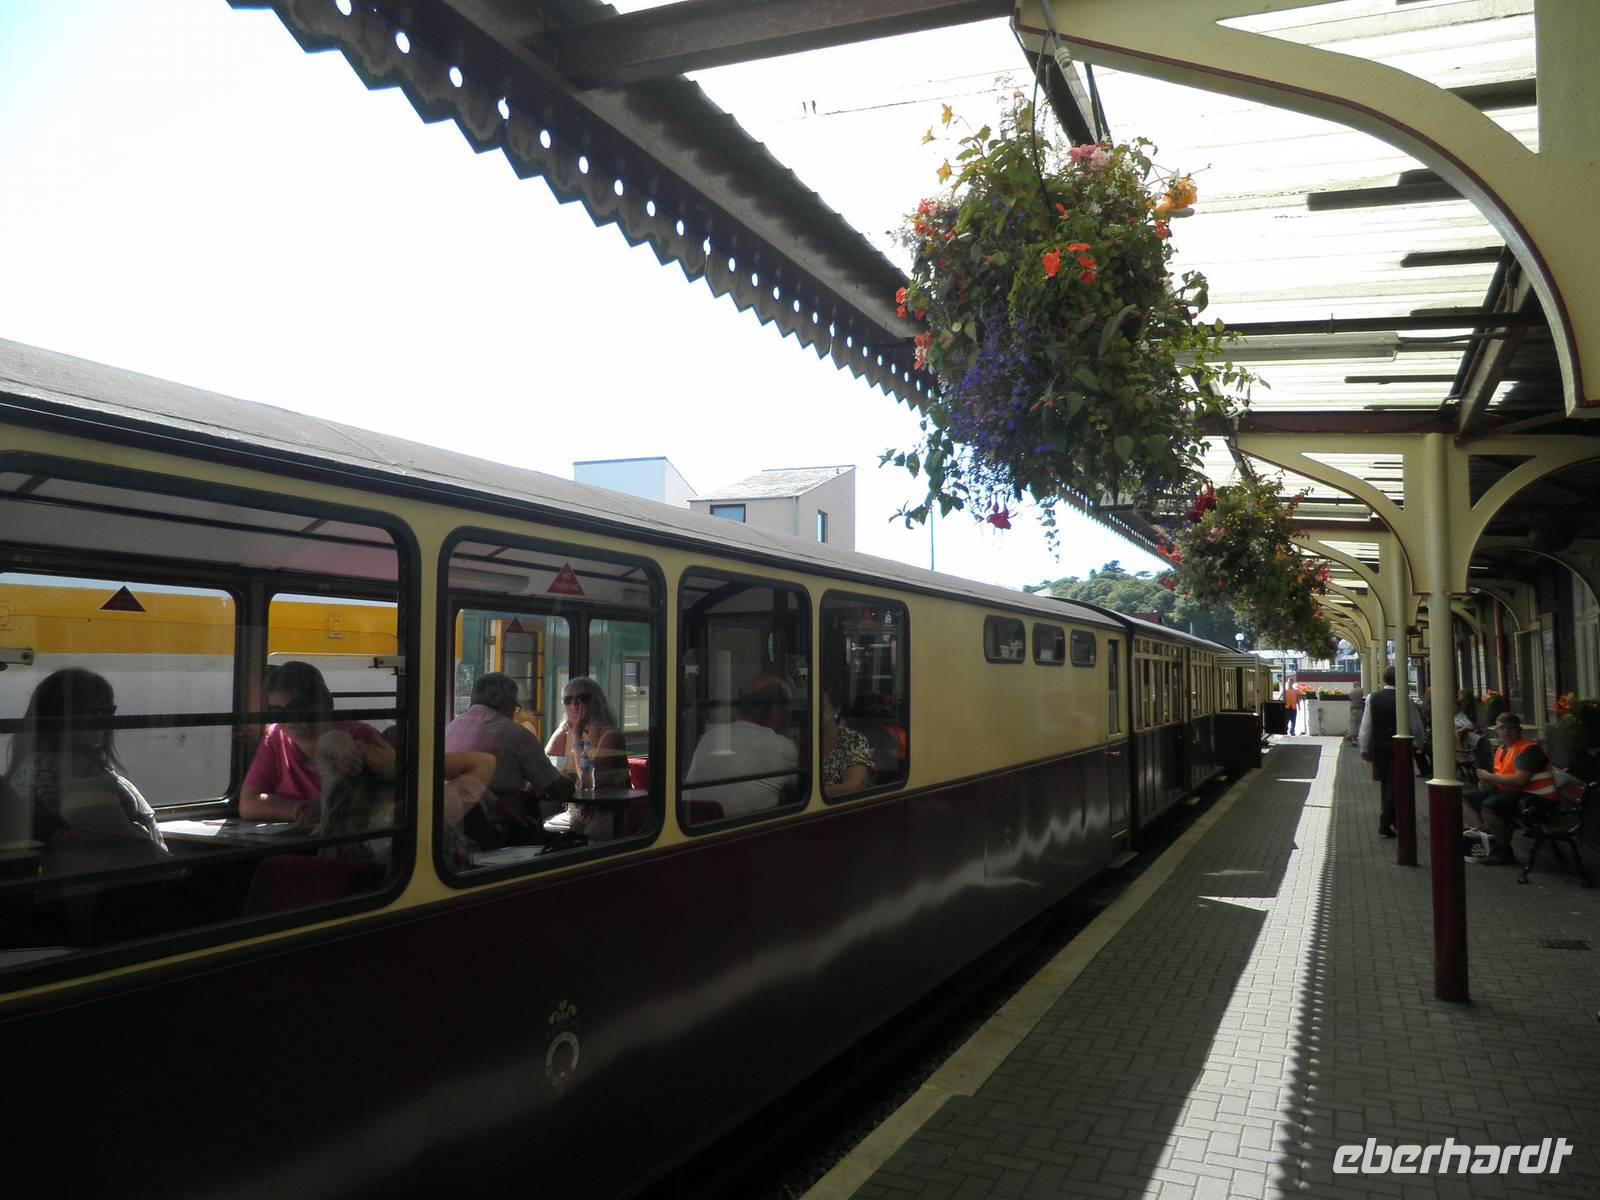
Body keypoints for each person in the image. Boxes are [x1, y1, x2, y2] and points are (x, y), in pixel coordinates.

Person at [3, 667, 166, 851]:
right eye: (91, 711)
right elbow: (130, 844)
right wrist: (175, 864)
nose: (103, 720)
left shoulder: (43, 764)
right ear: (59, 716)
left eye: (107, 711)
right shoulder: (67, 773)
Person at [240, 661, 394, 822]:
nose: (288, 719)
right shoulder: (274, 737)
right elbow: (249, 803)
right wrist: (301, 810)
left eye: (296, 707)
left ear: (323, 703)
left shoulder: (360, 738)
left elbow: (377, 805)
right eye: (276, 711)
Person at [445, 672, 575, 825]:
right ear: (508, 704)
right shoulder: (516, 735)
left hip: (454, 821)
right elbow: (557, 789)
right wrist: (571, 778)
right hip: (497, 829)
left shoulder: (451, 727)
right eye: (515, 707)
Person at [683, 675, 801, 817]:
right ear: (775, 711)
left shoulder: (708, 738)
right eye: (789, 706)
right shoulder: (781, 747)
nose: (792, 713)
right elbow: (807, 786)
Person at [1462, 711, 1556, 866]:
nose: (1506, 731)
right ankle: (1486, 838)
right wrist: (1488, 783)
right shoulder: (1502, 749)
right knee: (1467, 799)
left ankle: (1504, 851)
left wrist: (1489, 777)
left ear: (1519, 730)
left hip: (1536, 800)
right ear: (1496, 731)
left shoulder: (1529, 750)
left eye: (1511, 728)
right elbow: (1503, 776)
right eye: (1502, 728)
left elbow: (1520, 780)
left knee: (1490, 806)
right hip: (1514, 793)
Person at [544, 677, 629, 834]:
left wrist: (577, 734)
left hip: (604, 811)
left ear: (596, 703)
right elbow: (544, 766)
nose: (574, 706)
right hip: (575, 810)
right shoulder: (565, 730)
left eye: (582, 699)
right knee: (545, 835)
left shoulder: (610, 735)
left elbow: (590, 778)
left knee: (591, 848)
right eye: (568, 700)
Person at [1358, 665, 1398, 838]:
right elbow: (1416, 724)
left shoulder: (1372, 698)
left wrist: (1364, 748)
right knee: (1395, 783)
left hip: (1379, 745)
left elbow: (1366, 726)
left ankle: (1390, 817)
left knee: (1386, 782)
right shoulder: (1404, 698)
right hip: (1398, 747)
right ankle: (1387, 820)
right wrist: (1418, 743)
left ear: (1384, 679)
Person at [821, 686, 874, 798]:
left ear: (836, 710)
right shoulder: (798, 737)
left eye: (821, 707)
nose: (813, 712)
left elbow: (853, 786)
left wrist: (813, 794)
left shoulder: (853, 740)